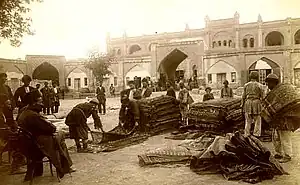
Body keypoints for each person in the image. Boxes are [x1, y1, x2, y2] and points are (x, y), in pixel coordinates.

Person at [17, 90, 75, 181]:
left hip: (27, 144)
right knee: (60, 135)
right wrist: (49, 124)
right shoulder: (33, 115)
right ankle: (65, 166)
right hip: (36, 146)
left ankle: (66, 165)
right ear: (33, 102)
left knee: (58, 138)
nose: (42, 104)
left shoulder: (24, 111)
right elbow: (50, 128)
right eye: (40, 102)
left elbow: (40, 125)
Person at [265, 74, 293, 163]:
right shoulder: (273, 92)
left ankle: (288, 155)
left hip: (285, 119)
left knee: (285, 137)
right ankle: (278, 153)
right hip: (277, 119)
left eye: (269, 83)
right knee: (276, 137)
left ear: (274, 82)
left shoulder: (280, 92)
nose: (268, 85)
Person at [241, 71, 264, 137]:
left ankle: (247, 134)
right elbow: (263, 96)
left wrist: (242, 105)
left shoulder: (246, 85)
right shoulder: (260, 85)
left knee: (248, 120)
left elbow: (243, 96)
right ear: (257, 77)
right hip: (257, 103)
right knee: (257, 120)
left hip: (248, 102)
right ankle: (256, 134)